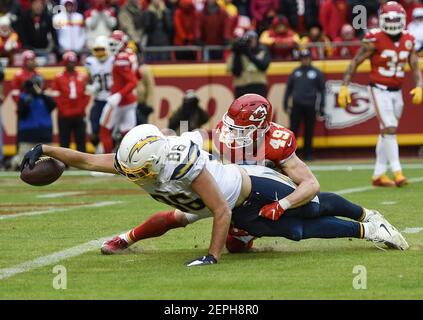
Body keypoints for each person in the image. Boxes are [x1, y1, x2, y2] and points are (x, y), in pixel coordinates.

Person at [21, 124, 409, 267]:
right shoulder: (138, 161)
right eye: (131, 170)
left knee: (308, 211)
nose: (134, 177)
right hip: (216, 203)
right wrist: (47, 150)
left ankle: (367, 218)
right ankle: (126, 239)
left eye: (140, 171)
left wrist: (212, 256)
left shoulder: (179, 166)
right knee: (295, 233)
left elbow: (220, 209)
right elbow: (88, 160)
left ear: (157, 160)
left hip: (248, 190)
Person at [338, 1, 423, 187]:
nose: (392, 21)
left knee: (386, 132)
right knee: (390, 127)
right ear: (382, 19)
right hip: (378, 88)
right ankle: (398, 171)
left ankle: (378, 174)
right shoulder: (374, 38)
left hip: (397, 91)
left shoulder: (408, 38)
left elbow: (415, 67)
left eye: (395, 18)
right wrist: (344, 86)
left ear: (402, 19)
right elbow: (354, 63)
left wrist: (420, 86)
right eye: (389, 18)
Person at [99, 30, 138, 153]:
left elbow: (133, 82)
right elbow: (139, 75)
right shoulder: (129, 55)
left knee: (105, 129)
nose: (111, 47)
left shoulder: (121, 58)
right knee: (127, 133)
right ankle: (127, 162)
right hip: (129, 100)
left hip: (119, 101)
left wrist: (118, 94)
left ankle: (106, 163)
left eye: (114, 43)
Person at [283, 49, 325, 161]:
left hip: (310, 105)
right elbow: (289, 89)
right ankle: (292, 154)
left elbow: (322, 90)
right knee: (293, 131)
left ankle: (308, 154)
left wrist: (321, 106)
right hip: (297, 105)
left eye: (307, 58)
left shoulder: (316, 72)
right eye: (303, 58)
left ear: (310, 58)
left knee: (309, 130)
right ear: (300, 59)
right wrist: (285, 102)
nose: (305, 60)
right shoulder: (295, 72)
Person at [11, 75, 55, 170]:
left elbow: (53, 105)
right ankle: (13, 163)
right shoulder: (23, 97)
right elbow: (21, 114)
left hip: (45, 133)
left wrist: (41, 94)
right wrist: (28, 99)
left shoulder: (45, 97)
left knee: (49, 163)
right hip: (28, 134)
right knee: (22, 163)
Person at [50, 51, 90, 152]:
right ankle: (65, 164)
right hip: (64, 115)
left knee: (81, 140)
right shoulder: (58, 77)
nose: (70, 64)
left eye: (72, 62)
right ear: (64, 63)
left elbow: (86, 94)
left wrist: (82, 108)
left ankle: (82, 162)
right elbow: (55, 96)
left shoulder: (82, 76)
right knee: (64, 141)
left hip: (79, 114)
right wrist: (62, 108)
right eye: (68, 62)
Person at [85, 35, 114, 151]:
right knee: (94, 132)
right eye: (97, 50)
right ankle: (99, 151)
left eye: (102, 50)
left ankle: (111, 152)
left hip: (111, 101)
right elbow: (87, 80)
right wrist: (90, 87)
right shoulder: (90, 62)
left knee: (110, 130)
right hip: (98, 101)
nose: (100, 53)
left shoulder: (113, 60)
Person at [227, 30, 271, 98]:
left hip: (258, 85)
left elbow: (263, 66)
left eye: (253, 38)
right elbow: (236, 72)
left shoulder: (262, 51)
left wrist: (249, 54)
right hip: (241, 86)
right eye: (249, 39)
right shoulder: (238, 53)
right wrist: (237, 53)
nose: (251, 41)